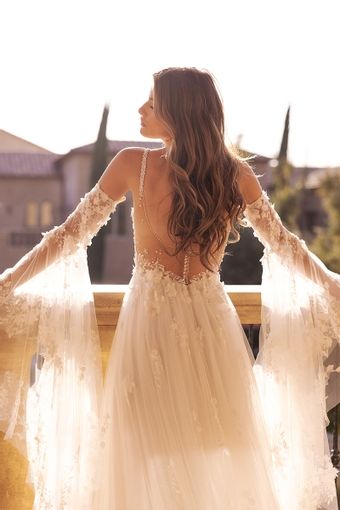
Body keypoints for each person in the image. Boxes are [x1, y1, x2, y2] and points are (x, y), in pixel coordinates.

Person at [0, 67, 339, 510]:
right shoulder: (236, 175)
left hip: (151, 328)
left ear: (178, 113)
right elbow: (287, 247)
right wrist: (331, 283)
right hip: (212, 327)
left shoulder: (132, 164)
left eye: (152, 104)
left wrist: (8, 280)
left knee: (142, 452)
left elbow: (69, 236)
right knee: (215, 453)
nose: (141, 110)